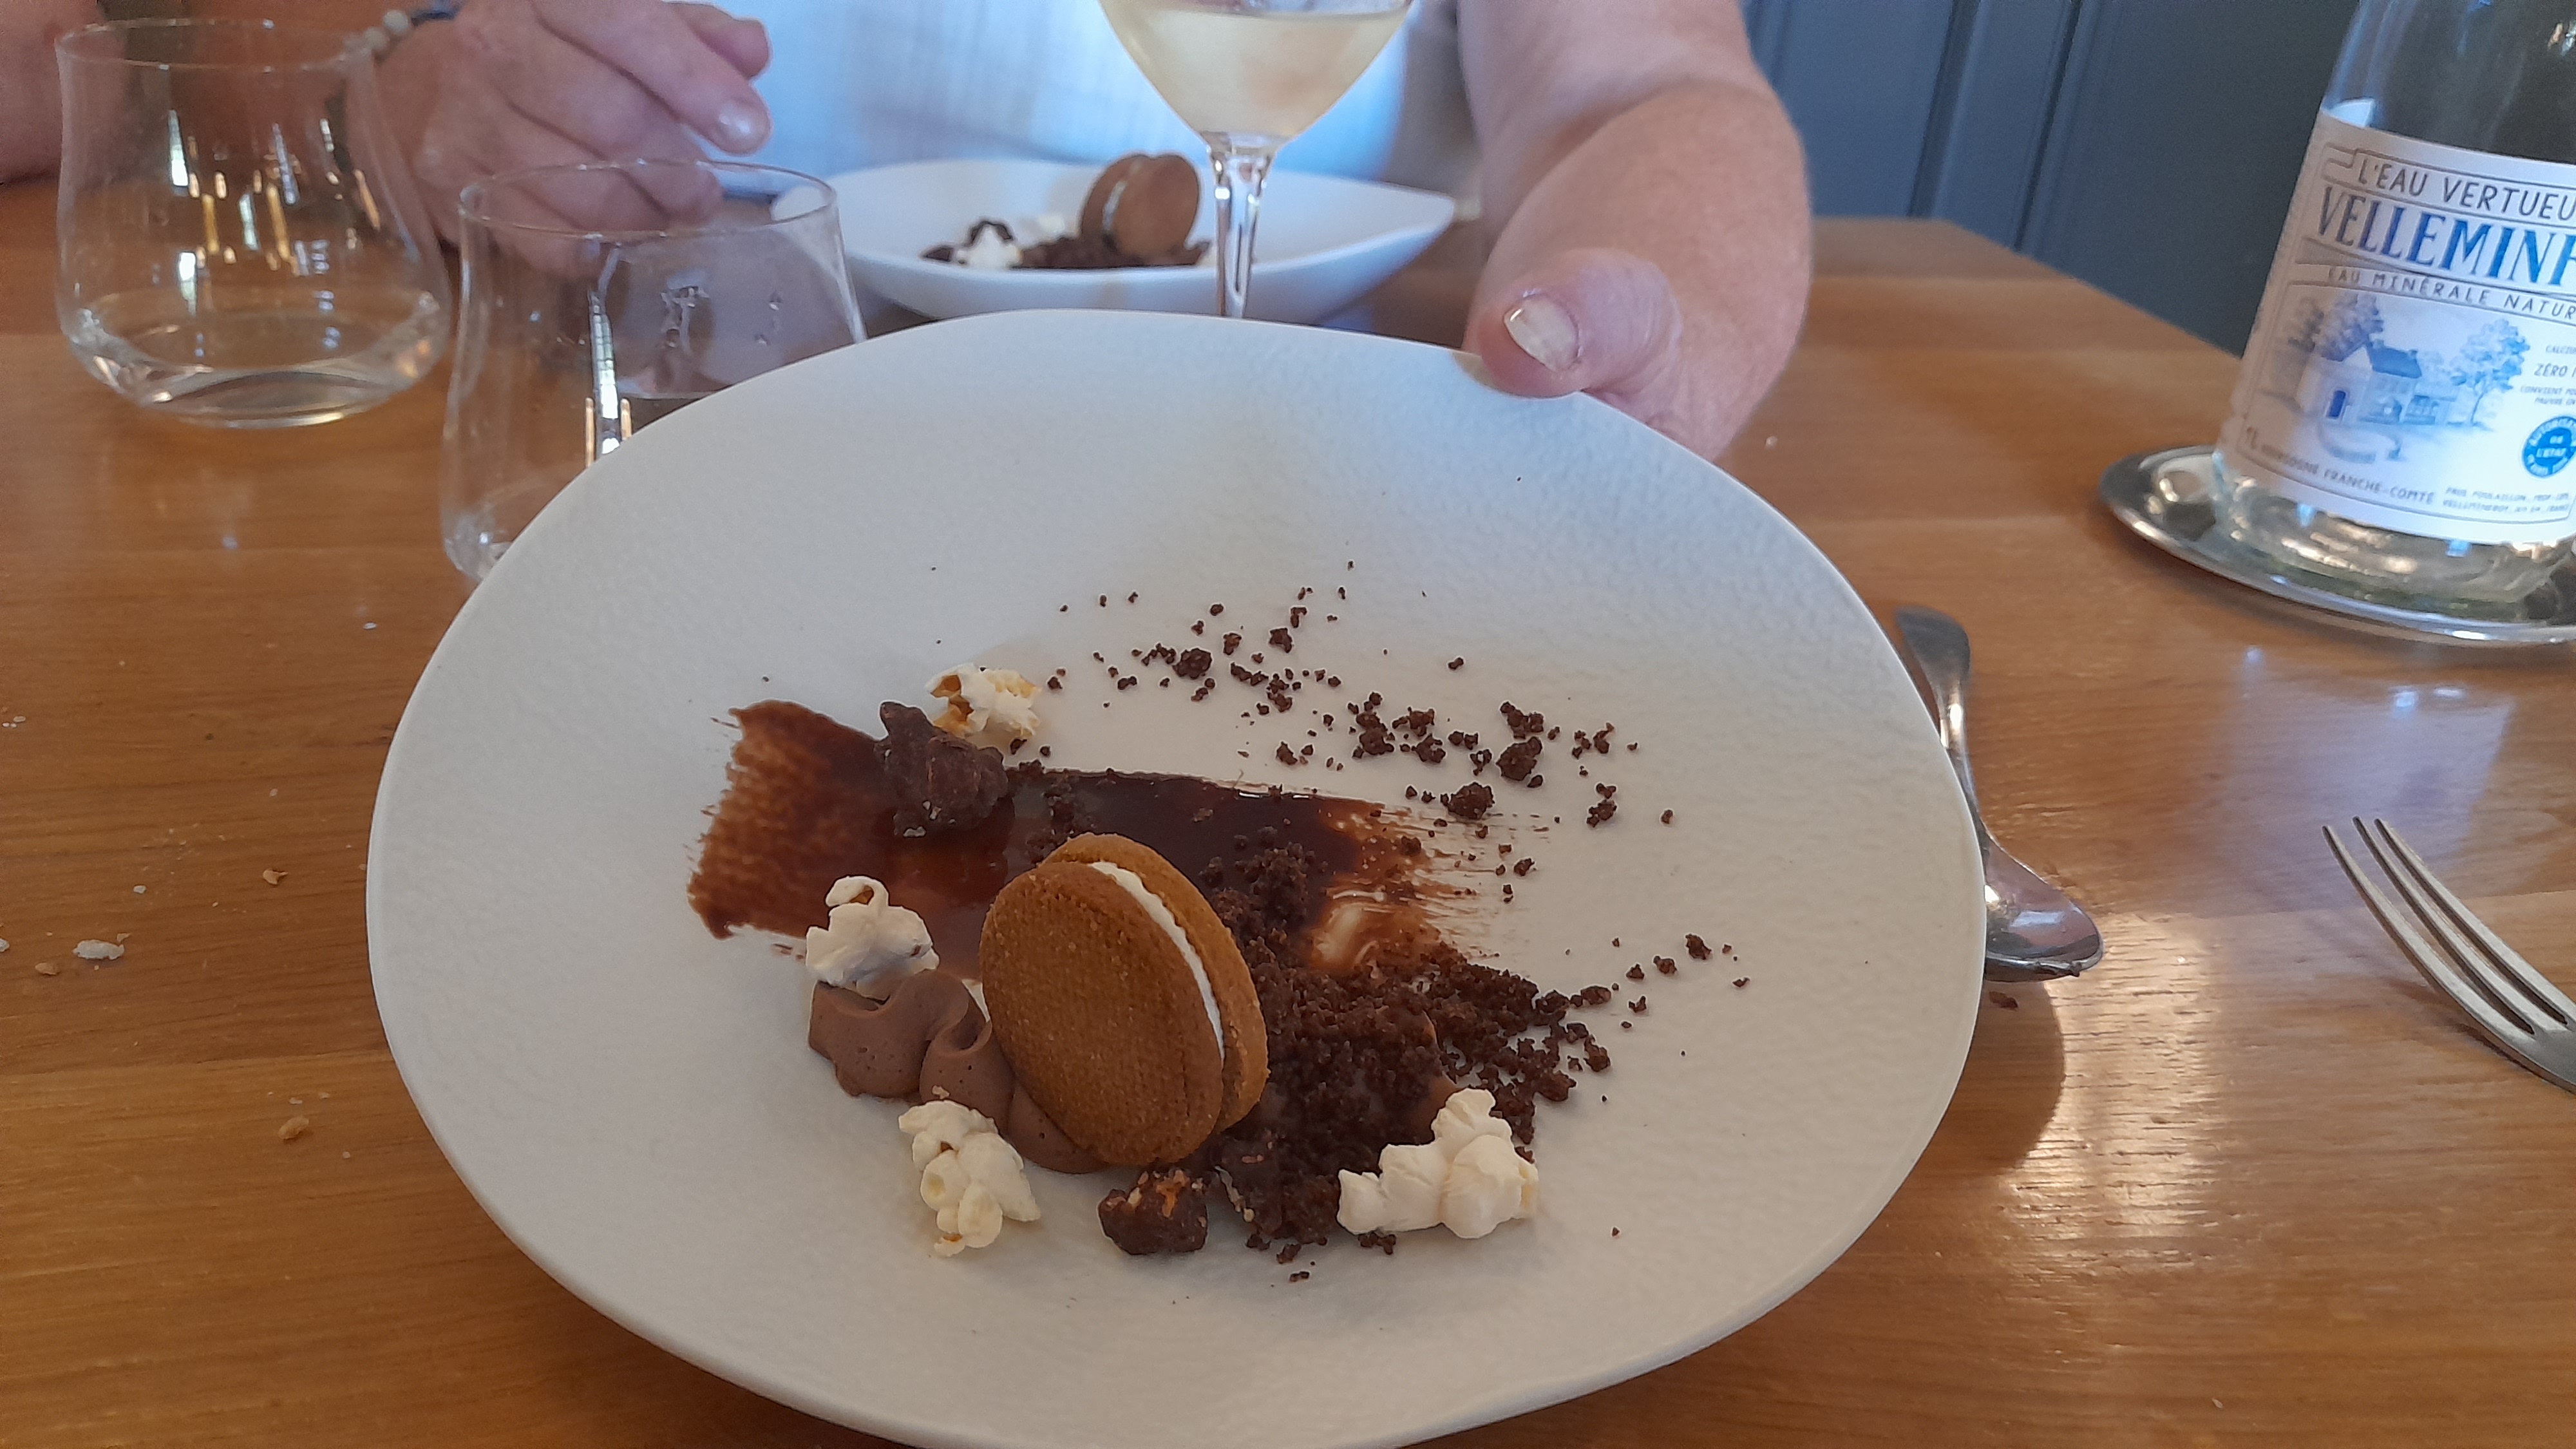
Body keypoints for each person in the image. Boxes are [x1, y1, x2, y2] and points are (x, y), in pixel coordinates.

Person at [0, 0, 1808, 458]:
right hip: (620, 451)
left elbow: (1649, 91)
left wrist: (1647, 341)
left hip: (1284, 492)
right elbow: (134, 45)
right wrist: (394, 86)